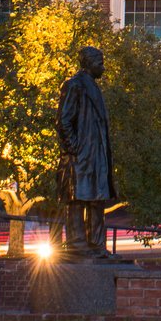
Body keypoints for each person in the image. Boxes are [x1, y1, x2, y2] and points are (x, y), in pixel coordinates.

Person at [55, 44, 118, 259]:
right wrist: (74, 149)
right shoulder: (74, 85)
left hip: (96, 155)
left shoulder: (92, 86)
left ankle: (97, 245)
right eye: (100, 63)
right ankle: (77, 244)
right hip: (81, 155)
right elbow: (64, 120)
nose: (103, 68)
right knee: (77, 200)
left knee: (96, 200)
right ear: (90, 63)